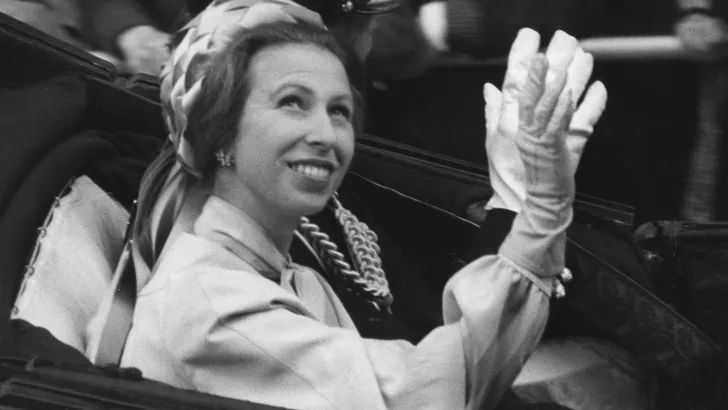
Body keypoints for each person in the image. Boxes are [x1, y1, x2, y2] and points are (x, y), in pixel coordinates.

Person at [113, 5, 606, 405]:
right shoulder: (213, 307)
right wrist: (537, 210)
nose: (327, 136)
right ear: (219, 136)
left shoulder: (278, 263)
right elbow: (427, 392)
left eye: (339, 110)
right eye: (292, 102)